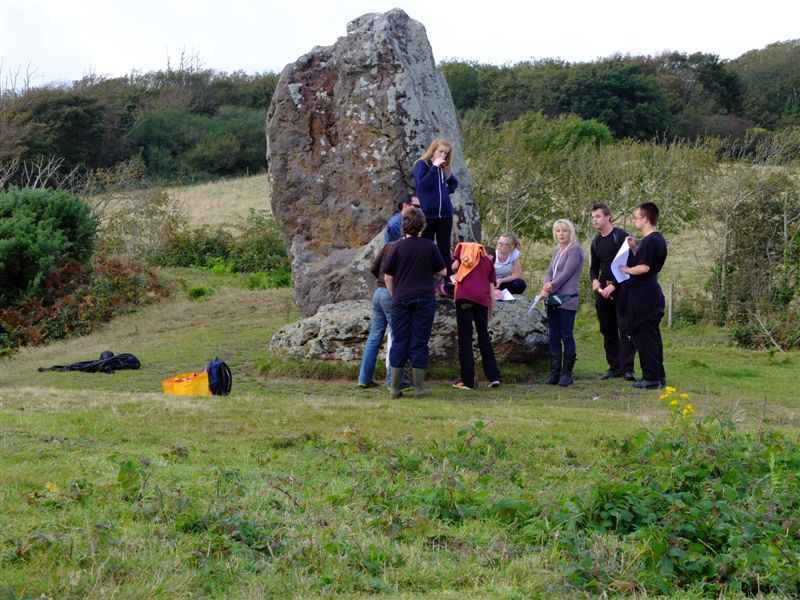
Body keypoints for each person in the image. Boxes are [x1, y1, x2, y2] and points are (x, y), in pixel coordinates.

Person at [383, 207, 446, 398]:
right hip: (424, 298)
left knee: (399, 341)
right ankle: (418, 388)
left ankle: (395, 388)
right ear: (422, 225)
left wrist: (395, 295)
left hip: (401, 298)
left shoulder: (396, 247)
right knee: (419, 342)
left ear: (403, 225)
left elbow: (388, 276)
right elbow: (443, 271)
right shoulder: (429, 246)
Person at [620, 202, 668, 389]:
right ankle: (658, 375)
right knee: (653, 336)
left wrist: (626, 269)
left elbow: (644, 267)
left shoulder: (649, 241)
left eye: (636, 217)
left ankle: (651, 378)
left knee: (644, 337)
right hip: (651, 293)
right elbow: (646, 261)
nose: (634, 221)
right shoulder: (657, 240)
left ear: (646, 219)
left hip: (644, 296)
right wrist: (634, 249)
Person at [589, 203, 636, 380]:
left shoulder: (621, 236)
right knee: (607, 329)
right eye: (593, 217)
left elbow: (629, 264)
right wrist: (595, 281)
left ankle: (627, 368)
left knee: (625, 328)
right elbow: (593, 268)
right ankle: (614, 366)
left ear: (608, 216)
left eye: (598, 216)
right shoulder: (596, 241)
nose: (595, 220)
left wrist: (614, 285)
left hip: (622, 288)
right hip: (602, 291)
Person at [539, 219, 585, 387]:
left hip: (567, 298)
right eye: (558, 231)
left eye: (564, 230)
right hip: (552, 298)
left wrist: (550, 286)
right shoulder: (558, 251)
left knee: (566, 335)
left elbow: (566, 274)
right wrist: (546, 284)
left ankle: (567, 374)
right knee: (553, 335)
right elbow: (549, 272)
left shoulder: (575, 250)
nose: (561, 234)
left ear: (570, 232)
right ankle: (554, 373)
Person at [450, 242, 501, 390]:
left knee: (465, 338)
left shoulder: (463, 254)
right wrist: (490, 311)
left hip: (464, 298)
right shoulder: (487, 262)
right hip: (481, 301)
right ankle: (494, 377)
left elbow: (453, 268)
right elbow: (491, 290)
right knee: (483, 336)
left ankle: (467, 380)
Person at [412, 138, 458, 275]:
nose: (443, 155)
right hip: (428, 215)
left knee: (444, 248)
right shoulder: (422, 165)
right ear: (433, 150)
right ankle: (425, 277)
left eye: (446, 153)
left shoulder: (444, 168)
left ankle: (447, 280)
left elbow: (454, 183)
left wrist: (445, 192)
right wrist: (434, 167)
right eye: (440, 151)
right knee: (426, 247)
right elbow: (422, 186)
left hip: (445, 214)